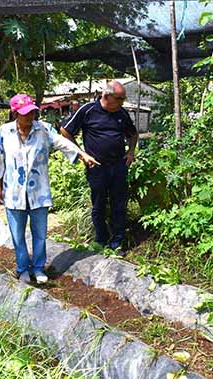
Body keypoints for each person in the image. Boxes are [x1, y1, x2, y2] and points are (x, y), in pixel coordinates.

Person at [0, 94, 99, 284]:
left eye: (32, 112)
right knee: (17, 235)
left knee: (40, 234)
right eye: (25, 114)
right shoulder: (5, 132)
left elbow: (62, 143)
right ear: (15, 113)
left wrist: (81, 154)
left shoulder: (44, 130)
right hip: (14, 193)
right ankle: (23, 268)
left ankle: (38, 268)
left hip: (38, 192)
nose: (30, 117)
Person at [60, 81, 138, 253]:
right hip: (97, 167)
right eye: (119, 98)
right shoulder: (88, 110)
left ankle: (117, 242)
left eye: (123, 99)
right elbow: (65, 131)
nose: (122, 102)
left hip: (119, 166)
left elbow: (132, 134)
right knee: (99, 204)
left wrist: (130, 152)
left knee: (119, 204)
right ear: (106, 96)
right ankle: (101, 240)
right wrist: (81, 153)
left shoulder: (121, 113)